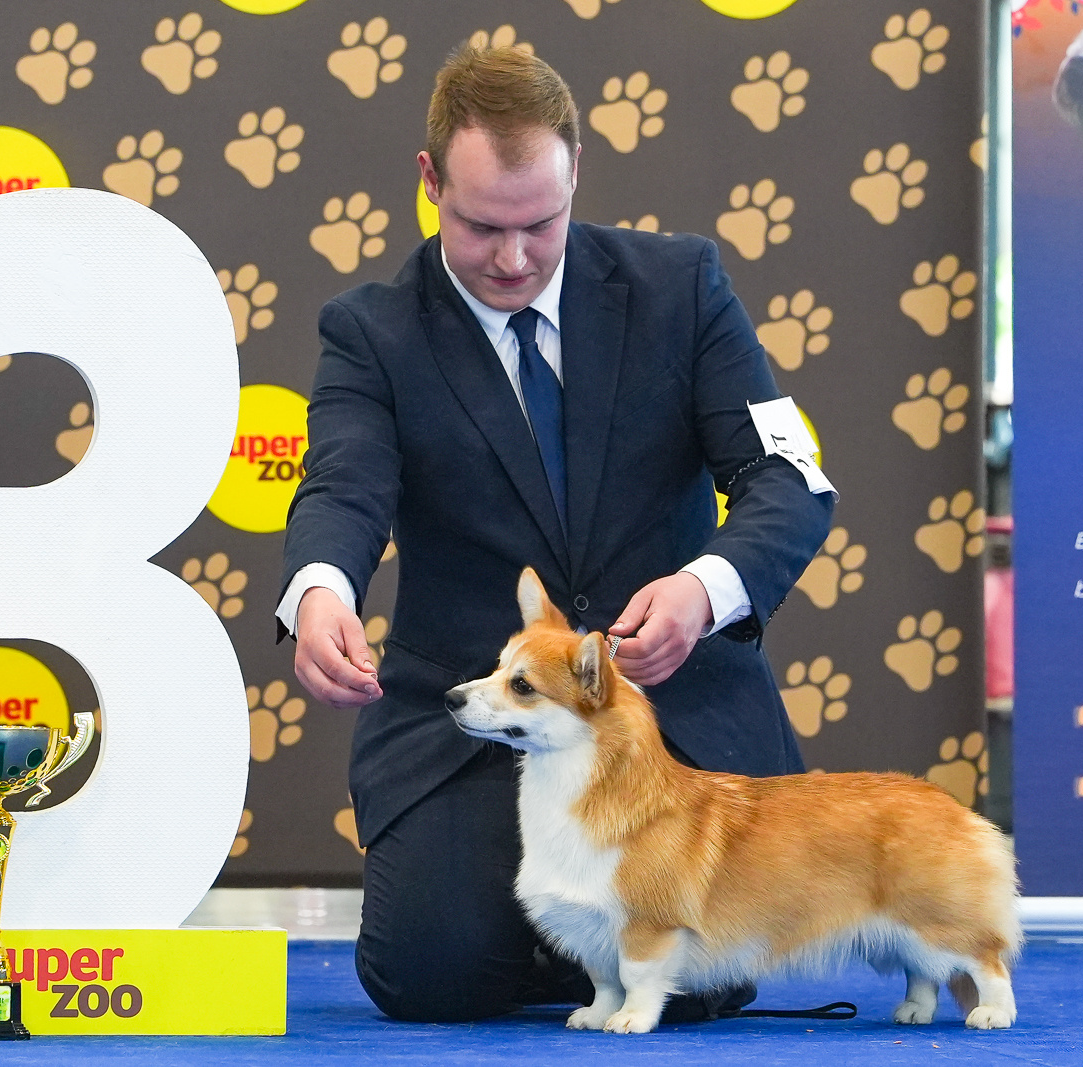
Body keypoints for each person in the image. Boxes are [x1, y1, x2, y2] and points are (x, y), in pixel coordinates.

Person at [277, 42, 835, 1023]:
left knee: (700, 982)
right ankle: (575, 943)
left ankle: (597, 942)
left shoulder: (682, 285)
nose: (513, 257)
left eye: (540, 223)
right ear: (429, 181)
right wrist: (321, 586)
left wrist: (704, 588)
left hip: (670, 724)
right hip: (477, 721)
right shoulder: (369, 332)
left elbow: (786, 477)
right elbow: (344, 484)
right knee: (430, 974)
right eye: (480, 225)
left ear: (576, 173)